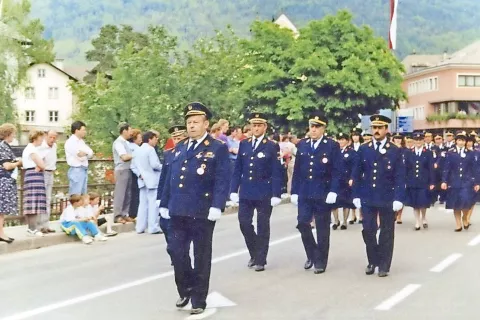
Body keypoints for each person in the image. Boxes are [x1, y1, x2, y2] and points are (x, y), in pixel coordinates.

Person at [159, 102, 230, 315]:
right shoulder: (179, 149)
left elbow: (222, 179)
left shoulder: (217, 147)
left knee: (201, 255)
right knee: (176, 251)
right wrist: (163, 203)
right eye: (188, 122)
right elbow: (170, 180)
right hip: (178, 209)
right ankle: (186, 287)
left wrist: (218, 205)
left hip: (202, 210)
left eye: (196, 122)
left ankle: (199, 298)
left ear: (206, 124)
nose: (191, 126)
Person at [352, 114, 406, 277]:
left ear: (386, 130)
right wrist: (356, 194)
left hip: (387, 196)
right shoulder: (364, 149)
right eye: (374, 128)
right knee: (368, 230)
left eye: (379, 128)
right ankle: (372, 259)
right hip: (368, 196)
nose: (376, 131)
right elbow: (357, 173)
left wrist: (399, 198)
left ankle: (383, 265)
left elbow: (399, 176)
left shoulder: (395, 151)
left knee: (387, 232)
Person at [229, 112, 283, 272]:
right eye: (254, 125)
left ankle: (261, 259)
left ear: (265, 127)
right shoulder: (244, 144)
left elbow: (276, 171)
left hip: (264, 191)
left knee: (262, 226)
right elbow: (238, 168)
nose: (256, 128)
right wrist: (233, 189)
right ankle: (254, 252)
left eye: (259, 125)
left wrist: (276, 193)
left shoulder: (271, 145)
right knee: (244, 223)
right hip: (246, 190)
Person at [291, 112, 341, 274]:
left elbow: (336, 171)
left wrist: (333, 191)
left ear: (323, 128)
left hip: (322, 193)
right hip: (305, 192)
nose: (313, 130)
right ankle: (312, 254)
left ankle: (321, 261)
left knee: (322, 228)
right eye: (311, 126)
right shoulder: (303, 145)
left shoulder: (331, 146)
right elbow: (297, 170)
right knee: (302, 223)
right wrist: (294, 191)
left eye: (317, 127)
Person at [157, 125, 188, 264]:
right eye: (174, 138)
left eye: (179, 137)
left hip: (183, 196)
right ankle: (175, 250)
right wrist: (159, 198)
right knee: (164, 224)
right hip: (169, 195)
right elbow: (163, 178)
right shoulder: (169, 154)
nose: (177, 140)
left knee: (181, 230)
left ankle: (180, 253)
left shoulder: (189, 152)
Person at [441, 131, 480, 231]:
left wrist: (477, 182)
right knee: (456, 204)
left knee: (466, 202)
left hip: (467, 182)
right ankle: (458, 224)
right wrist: (444, 181)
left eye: (463, 140)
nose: (461, 142)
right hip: (454, 181)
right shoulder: (450, 153)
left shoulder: (470, 153)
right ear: (456, 141)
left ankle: (465, 218)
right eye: (459, 140)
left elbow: (474, 169)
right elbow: (446, 168)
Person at [131, 131, 162, 234]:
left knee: (143, 204)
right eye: (155, 138)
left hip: (142, 179)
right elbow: (155, 165)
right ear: (150, 139)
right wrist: (164, 167)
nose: (156, 141)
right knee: (153, 204)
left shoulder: (136, 150)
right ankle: (153, 227)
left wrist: (140, 175)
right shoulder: (150, 149)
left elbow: (133, 166)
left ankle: (140, 227)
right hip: (152, 179)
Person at [404, 132, 435, 230]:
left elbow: (431, 168)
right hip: (412, 180)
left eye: (420, 140)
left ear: (423, 141)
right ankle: (417, 221)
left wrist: (432, 182)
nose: (418, 142)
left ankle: (424, 217)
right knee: (415, 203)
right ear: (413, 141)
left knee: (423, 202)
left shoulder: (428, 152)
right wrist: (405, 181)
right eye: (416, 140)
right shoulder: (409, 152)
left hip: (424, 181)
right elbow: (406, 168)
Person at [22, 130, 48, 237]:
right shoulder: (31, 149)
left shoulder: (31, 149)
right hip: (34, 175)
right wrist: (41, 166)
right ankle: (32, 227)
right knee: (33, 201)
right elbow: (42, 164)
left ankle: (32, 227)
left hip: (33, 175)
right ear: (35, 138)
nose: (42, 140)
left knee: (34, 201)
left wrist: (40, 166)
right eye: (41, 138)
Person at [0, 124, 22, 243]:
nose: (14, 135)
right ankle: (1, 233)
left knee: (1, 209)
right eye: (13, 133)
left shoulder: (4, 145)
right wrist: (18, 163)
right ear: (8, 134)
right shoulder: (2, 146)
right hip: (3, 180)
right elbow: (6, 165)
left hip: (4, 180)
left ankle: (1, 232)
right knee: (1, 209)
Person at [331, 132, 358, 230]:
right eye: (339, 139)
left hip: (346, 179)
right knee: (334, 202)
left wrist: (352, 178)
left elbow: (355, 166)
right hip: (335, 180)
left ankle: (345, 222)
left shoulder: (351, 152)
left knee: (346, 201)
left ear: (347, 141)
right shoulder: (334, 151)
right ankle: (336, 220)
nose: (341, 141)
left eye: (343, 139)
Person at [112, 123, 134, 224]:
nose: (131, 132)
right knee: (120, 193)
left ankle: (125, 213)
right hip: (121, 169)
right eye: (130, 130)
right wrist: (135, 155)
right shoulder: (118, 143)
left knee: (127, 193)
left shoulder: (126, 143)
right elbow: (124, 157)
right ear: (124, 130)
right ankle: (117, 215)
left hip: (128, 169)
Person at [64, 121, 94, 195]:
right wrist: (86, 153)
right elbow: (79, 154)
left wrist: (85, 153)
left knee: (83, 194)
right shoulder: (70, 142)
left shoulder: (81, 142)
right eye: (83, 130)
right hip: (76, 170)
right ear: (77, 130)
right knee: (76, 194)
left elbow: (91, 153)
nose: (85, 132)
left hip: (83, 169)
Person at [37, 130, 58, 234]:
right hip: (43, 173)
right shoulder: (41, 147)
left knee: (48, 199)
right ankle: (40, 225)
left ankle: (46, 224)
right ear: (46, 136)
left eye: (54, 138)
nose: (52, 140)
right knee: (42, 199)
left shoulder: (54, 146)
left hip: (51, 172)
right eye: (50, 137)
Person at [127, 129, 142, 219]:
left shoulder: (129, 146)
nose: (141, 139)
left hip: (131, 171)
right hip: (135, 171)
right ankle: (134, 213)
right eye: (139, 137)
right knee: (135, 192)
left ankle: (132, 212)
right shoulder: (136, 148)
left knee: (132, 192)